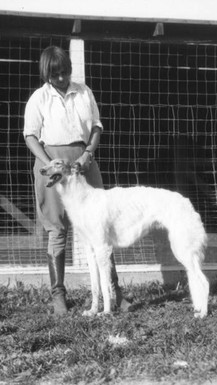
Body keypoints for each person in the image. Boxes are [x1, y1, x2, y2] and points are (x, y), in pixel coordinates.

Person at [23, 45, 130, 315]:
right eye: (55, 74)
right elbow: (30, 136)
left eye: (65, 72)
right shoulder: (39, 98)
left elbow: (96, 126)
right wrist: (48, 163)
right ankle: (58, 294)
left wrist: (88, 154)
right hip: (53, 162)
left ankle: (114, 292)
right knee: (57, 228)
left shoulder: (84, 92)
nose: (61, 78)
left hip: (83, 162)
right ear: (47, 74)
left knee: (99, 224)